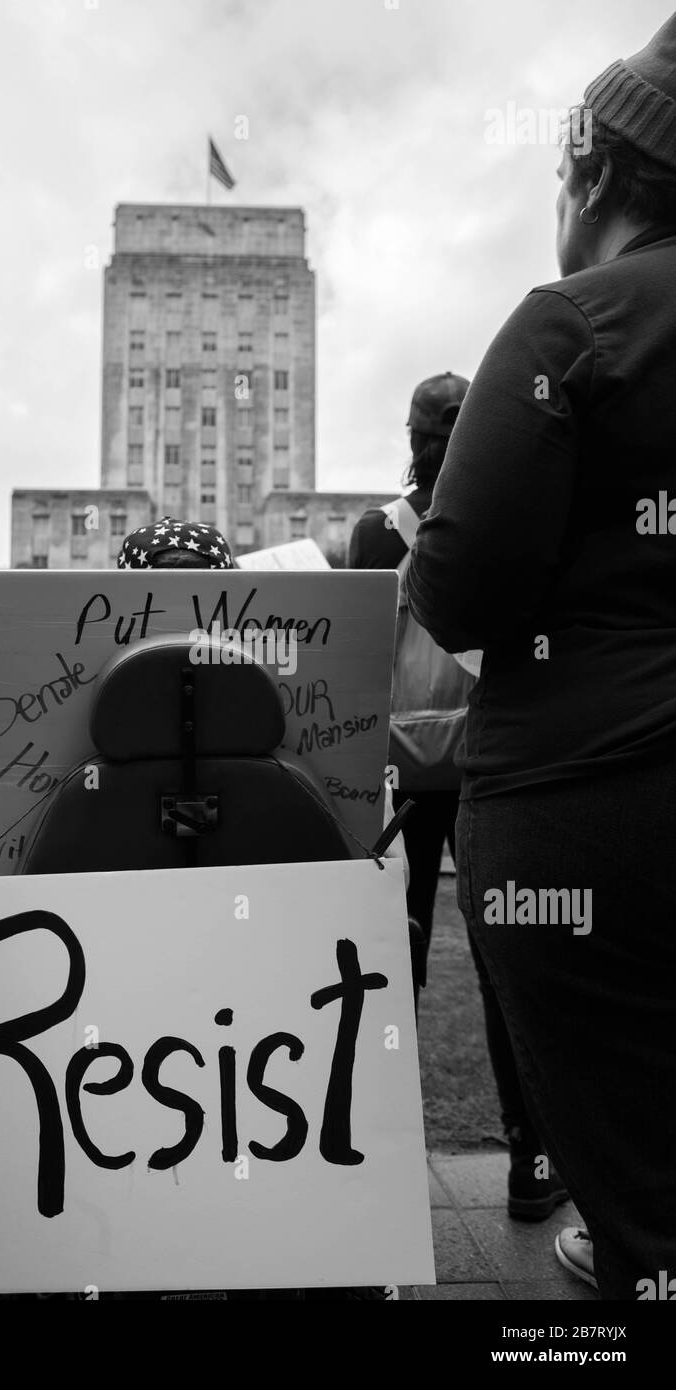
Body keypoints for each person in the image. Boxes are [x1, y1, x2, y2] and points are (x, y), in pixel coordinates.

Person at [407, 15, 676, 1300]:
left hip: (590, 798)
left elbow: (458, 590)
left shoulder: (568, 323)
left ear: (592, 177)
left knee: (639, 1165)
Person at [350, 376, 569, 1224]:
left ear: (409, 435)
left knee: (386, 958)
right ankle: (529, 1161)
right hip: (491, 757)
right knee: (504, 966)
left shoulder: (377, 530)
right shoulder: (514, 510)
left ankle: (373, 1153)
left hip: (396, 768)